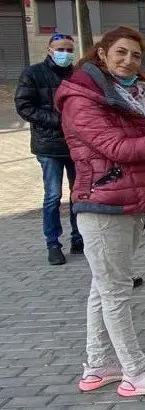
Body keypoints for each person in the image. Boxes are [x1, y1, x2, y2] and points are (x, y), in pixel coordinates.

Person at [55, 26, 145, 396]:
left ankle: (97, 365)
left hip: (128, 202)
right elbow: (119, 148)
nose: (128, 60)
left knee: (102, 288)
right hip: (104, 204)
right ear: (102, 53)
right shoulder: (82, 97)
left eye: (136, 55)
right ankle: (136, 372)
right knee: (115, 292)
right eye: (121, 52)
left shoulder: (136, 95)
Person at [15, 33, 83, 265]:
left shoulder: (77, 75)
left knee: (79, 194)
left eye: (69, 49)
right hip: (48, 145)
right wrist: (59, 120)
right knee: (53, 196)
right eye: (60, 49)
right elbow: (25, 107)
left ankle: (78, 238)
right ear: (49, 49)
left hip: (75, 145)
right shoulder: (33, 73)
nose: (65, 53)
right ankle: (53, 243)